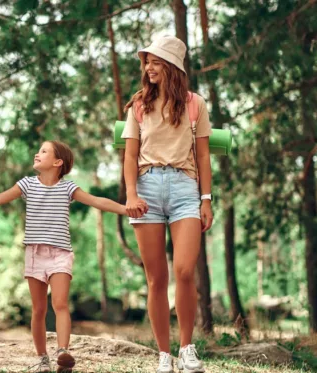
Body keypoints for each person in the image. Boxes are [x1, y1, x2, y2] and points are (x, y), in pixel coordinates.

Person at [0, 140, 139, 372]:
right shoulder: (27, 184)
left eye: (44, 151)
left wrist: (126, 207)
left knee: (60, 303)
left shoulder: (68, 188)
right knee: (38, 309)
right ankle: (42, 359)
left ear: (58, 162)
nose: (38, 154)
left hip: (60, 254)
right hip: (35, 253)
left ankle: (63, 352)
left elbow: (97, 201)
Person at [122, 35, 214, 373]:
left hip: (185, 188)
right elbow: (130, 156)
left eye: (155, 61)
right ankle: (164, 354)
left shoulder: (195, 104)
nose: (148, 67)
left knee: (185, 271)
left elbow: (203, 155)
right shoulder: (139, 106)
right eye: (147, 61)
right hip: (146, 189)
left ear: (172, 66)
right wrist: (131, 194)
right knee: (156, 279)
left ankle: (187, 348)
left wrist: (206, 198)